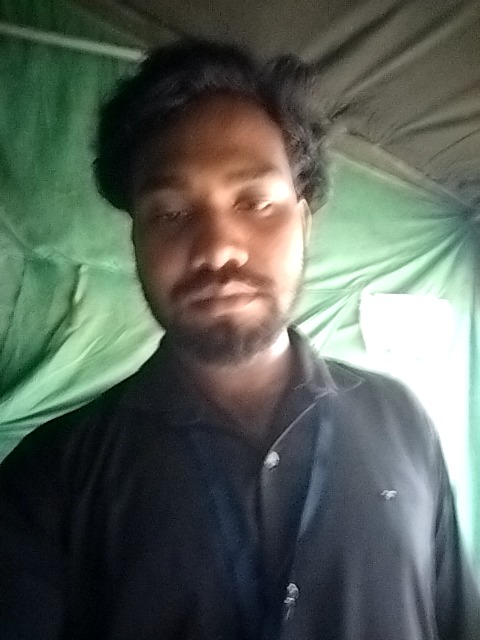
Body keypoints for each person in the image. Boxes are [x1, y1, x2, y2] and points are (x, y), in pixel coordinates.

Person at [0, 40, 479, 640]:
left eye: (254, 201)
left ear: (304, 222)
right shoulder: (49, 480)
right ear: (137, 239)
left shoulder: (403, 421)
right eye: (171, 213)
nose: (218, 248)